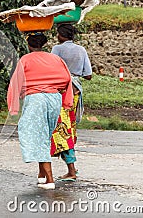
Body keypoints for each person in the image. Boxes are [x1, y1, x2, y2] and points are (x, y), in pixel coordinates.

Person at [7, 32, 73, 190]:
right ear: (43, 44)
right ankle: (42, 175)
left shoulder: (25, 59)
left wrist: (14, 104)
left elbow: (16, 82)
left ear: (29, 45)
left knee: (35, 135)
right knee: (45, 135)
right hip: (54, 99)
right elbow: (66, 79)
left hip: (36, 99)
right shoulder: (56, 59)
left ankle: (50, 180)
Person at [50, 23, 92, 181]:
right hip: (75, 92)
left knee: (62, 130)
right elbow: (88, 75)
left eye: (58, 34)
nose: (56, 36)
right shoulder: (81, 50)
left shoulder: (57, 49)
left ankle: (71, 170)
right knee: (70, 129)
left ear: (61, 35)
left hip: (61, 93)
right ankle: (71, 167)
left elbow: (51, 69)